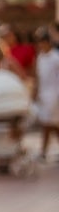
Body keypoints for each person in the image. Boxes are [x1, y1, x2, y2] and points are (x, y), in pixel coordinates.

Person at [35, 27, 59, 160]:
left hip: (54, 94)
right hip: (44, 94)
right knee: (51, 123)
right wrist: (36, 91)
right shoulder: (41, 57)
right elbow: (38, 76)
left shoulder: (56, 57)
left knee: (48, 123)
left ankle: (43, 151)